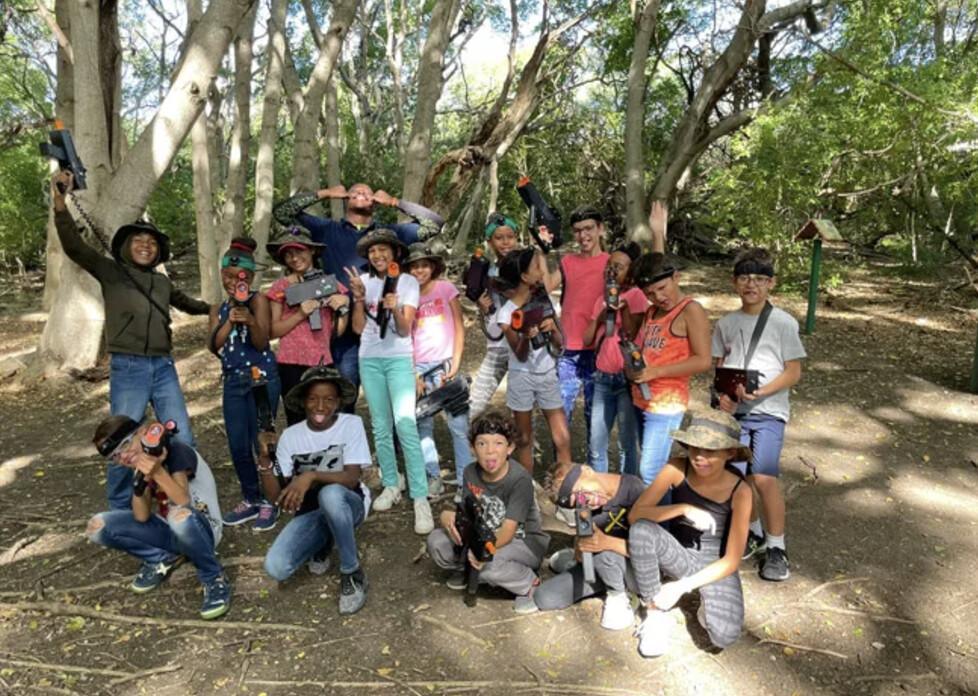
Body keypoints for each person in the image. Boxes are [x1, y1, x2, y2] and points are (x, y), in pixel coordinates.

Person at [52, 171, 209, 510]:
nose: (145, 245)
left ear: (158, 251)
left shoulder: (161, 283)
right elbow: (74, 247)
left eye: (152, 243)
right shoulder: (111, 271)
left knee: (181, 433)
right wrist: (60, 202)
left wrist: (214, 309)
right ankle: (121, 509)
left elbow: (185, 302)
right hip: (129, 366)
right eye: (138, 240)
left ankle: (188, 500)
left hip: (164, 366)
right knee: (121, 441)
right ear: (126, 246)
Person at [273, 183, 443, 404]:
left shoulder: (389, 234)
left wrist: (393, 201)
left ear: (375, 201)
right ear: (346, 198)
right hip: (342, 330)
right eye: (355, 191)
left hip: (384, 329)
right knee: (344, 397)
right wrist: (325, 193)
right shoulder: (327, 229)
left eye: (367, 192)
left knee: (393, 400)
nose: (362, 193)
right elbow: (282, 213)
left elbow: (434, 224)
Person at [713, 248, 805, 582]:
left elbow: (793, 371)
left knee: (764, 477)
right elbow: (719, 369)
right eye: (744, 278)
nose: (751, 285)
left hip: (768, 413)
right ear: (734, 282)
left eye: (759, 279)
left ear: (771, 284)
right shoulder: (726, 323)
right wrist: (721, 398)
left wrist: (763, 391)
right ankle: (751, 531)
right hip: (735, 416)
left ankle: (777, 546)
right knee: (738, 478)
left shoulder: (783, 323)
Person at [628, 410, 752, 657]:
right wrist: (683, 508)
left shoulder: (741, 490)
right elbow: (636, 515)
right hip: (679, 552)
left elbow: (731, 560)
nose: (699, 457)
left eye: (710, 451)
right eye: (694, 448)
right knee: (641, 530)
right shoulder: (677, 467)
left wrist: (682, 587)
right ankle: (653, 612)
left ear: (729, 453)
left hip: (714, 564)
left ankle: (703, 599)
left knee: (724, 636)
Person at [86, 416, 230, 619]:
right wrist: (141, 480)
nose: (124, 456)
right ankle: (161, 557)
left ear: (143, 432)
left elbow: (183, 501)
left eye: (126, 445)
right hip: (173, 530)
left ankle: (213, 576)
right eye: (115, 457)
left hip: (202, 530)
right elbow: (141, 516)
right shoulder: (140, 466)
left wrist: (157, 471)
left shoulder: (176, 450)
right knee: (99, 526)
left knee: (179, 516)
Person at [261, 366, 371, 615]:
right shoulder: (290, 437)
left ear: (338, 402)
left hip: (349, 504)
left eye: (329, 399)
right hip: (311, 512)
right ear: (303, 401)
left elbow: (351, 478)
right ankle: (324, 539)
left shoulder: (351, 425)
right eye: (313, 399)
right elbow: (275, 495)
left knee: (329, 494)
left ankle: (352, 573)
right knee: (276, 567)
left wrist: (310, 475)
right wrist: (266, 460)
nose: (320, 406)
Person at [345, 229, 434, 534]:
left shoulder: (407, 282)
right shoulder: (364, 281)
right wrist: (359, 298)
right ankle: (391, 483)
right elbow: (358, 328)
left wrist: (394, 306)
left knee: (405, 424)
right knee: (380, 426)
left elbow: (405, 329)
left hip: (398, 359)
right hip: (369, 359)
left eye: (383, 249)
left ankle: (420, 495)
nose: (378, 255)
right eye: (372, 251)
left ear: (395, 253)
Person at [427, 411, 550, 611]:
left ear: (510, 448)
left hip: (522, 542)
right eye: (482, 444)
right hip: (483, 535)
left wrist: (483, 552)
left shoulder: (519, 479)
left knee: (490, 566)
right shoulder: (470, 472)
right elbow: (467, 512)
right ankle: (469, 570)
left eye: (498, 443)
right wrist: (447, 517)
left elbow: (508, 531)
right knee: (437, 541)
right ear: (472, 448)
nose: (490, 451)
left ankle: (529, 583)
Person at [207, 238, 282, 531]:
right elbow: (214, 345)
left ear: (249, 277)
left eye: (239, 277)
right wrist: (229, 321)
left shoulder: (258, 300)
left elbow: (262, 342)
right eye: (227, 276)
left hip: (261, 378)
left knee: (262, 440)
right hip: (233, 381)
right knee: (237, 444)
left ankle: (270, 501)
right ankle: (251, 498)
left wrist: (250, 321)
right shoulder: (218, 308)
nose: (232, 282)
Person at [627, 249, 711, 486]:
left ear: (676, 277)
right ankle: (663, 507)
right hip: (642, 399)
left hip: (667, 403)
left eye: (662, 288)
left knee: (650, 472)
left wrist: (656, 372)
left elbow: (703, 360)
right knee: (653, 467)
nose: (658, 297)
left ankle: (660, 511)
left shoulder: (690, 310)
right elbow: (648, 349)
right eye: (650, 293)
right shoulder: (652, 312)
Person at [527, 464, 647, 629]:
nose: (586, 501)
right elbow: (584, 542)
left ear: (587, 470)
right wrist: (580, 548)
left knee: (602, 551)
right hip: (600, 566)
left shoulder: (633, 489)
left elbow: (655, 551)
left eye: (581, 492)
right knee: (545, 597)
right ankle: (603, 579)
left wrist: (606, 543)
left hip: (636, 569)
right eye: (577, 502)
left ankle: (618, 594)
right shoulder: (584, 505)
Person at [404, 243, 473, 499]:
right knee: (423, 424)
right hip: (420, 368)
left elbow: (459, 325)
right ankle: (433, 477)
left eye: (424, 265)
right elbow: (406, 335)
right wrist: (413, 372)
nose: (419, 270)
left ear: (433, 267)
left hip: (445, 364)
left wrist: (456, 361)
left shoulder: (445, 289)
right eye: (414, 267)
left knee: (458, 425)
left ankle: (465, 481)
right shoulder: (408, 296)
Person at [494, 248, 572, 473]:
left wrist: (552, 328)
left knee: (562, 436)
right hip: (521, 377)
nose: (542, 272)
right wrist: (526, 337)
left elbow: (560, 344)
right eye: (537, 267)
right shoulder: (506, 314)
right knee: (524, 438)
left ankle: (565, 484)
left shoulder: (543, 300)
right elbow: (520, 354)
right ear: (524, 277)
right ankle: (525, 486)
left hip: (547, 373)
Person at [265, 228, 350, 425]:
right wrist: (300, 314)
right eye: (288, 254)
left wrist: (344, 306)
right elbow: (273, 331)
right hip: (291, 363)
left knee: (325, 418)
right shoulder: (280, 287)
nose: (294, 258)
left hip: (322, 361)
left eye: (299, 251)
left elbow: (337, 331)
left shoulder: (329, 284)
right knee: (297, 420)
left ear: (312, 250)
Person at [581, 241, 646, 474]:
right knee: (597, 443)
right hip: (602, 378)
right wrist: (600, 316)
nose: (612, 270)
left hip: (626, 380)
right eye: (609, 265)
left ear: (631, 271)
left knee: (626, 443)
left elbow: (633, 334)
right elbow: (587, 339)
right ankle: (599, 488)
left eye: (619, 266)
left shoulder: (636, 295)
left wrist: (623, 308)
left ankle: (628, 487)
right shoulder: (601, 298)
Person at [555, 207, 610, 460]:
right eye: (578, 231)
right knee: (561, 412)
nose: (583, 235)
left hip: (598, 348)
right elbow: (545, 285)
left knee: (595, 415)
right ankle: (561, 467)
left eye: (588, 228)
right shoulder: (567, 262)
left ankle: (594, 468)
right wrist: (543, 249)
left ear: (600, 229)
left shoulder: (611, 263)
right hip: (568, 349)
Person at [468, 214, 518, 419]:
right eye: (499, 238)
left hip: (521, 348)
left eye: (510, 237)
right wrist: (481, 304)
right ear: (490, 242)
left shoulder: (525, 266)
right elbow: (485, 304)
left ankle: (523, 439)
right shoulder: (486, 269)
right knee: (474, 405)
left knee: (520, 410)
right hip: (496, 346)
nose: (505, 242)